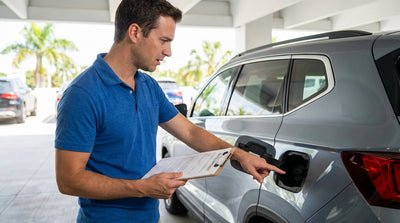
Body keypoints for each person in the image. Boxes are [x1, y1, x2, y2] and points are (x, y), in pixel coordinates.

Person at [55, 0, 285, 222]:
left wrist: (240, 155)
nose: (169, 52)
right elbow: (68, 180)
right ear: (135, 33)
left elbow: (190, 133)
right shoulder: (83, 94)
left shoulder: (148, 86)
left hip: (148, 217)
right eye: (164, 40)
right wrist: (142, 188)